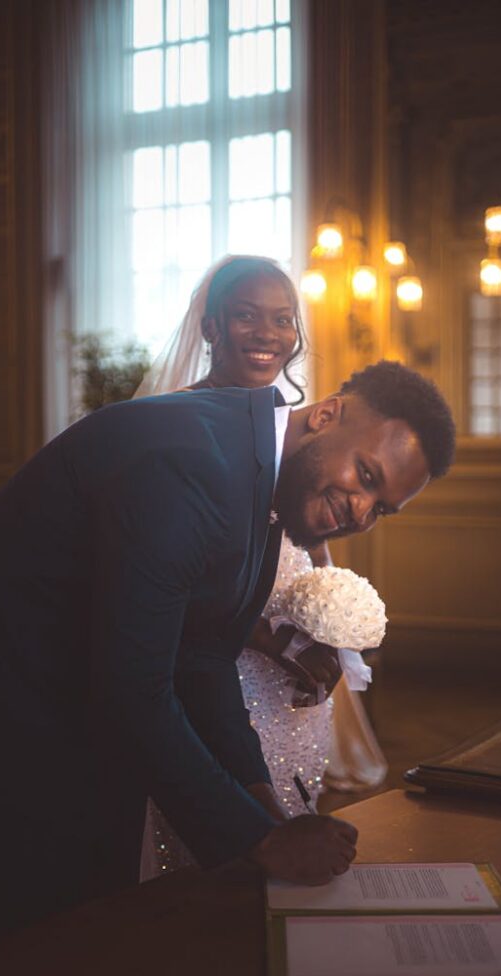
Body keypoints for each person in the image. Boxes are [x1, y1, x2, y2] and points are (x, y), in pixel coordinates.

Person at [0, 353, 455, 950]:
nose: (362, 512)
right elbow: (132, 688)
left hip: (69, 701)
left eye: (383, 509)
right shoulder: (194, 462)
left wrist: (266, 810)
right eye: (367, 477)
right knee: (15, 949)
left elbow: (203, 651)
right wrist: (259, 841)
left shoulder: (264, 470)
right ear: (328, 415)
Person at [135, 255, 389, 877]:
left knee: (282, 817)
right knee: (203, 843)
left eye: (282, 320)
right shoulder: (178, 427)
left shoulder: (296, 426)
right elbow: (188, 592)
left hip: (284, 679)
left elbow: (306, 549)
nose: (267, 334)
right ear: (211, 327)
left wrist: (325, 630)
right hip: (213, 672)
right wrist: (273, 643)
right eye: (246, 316)